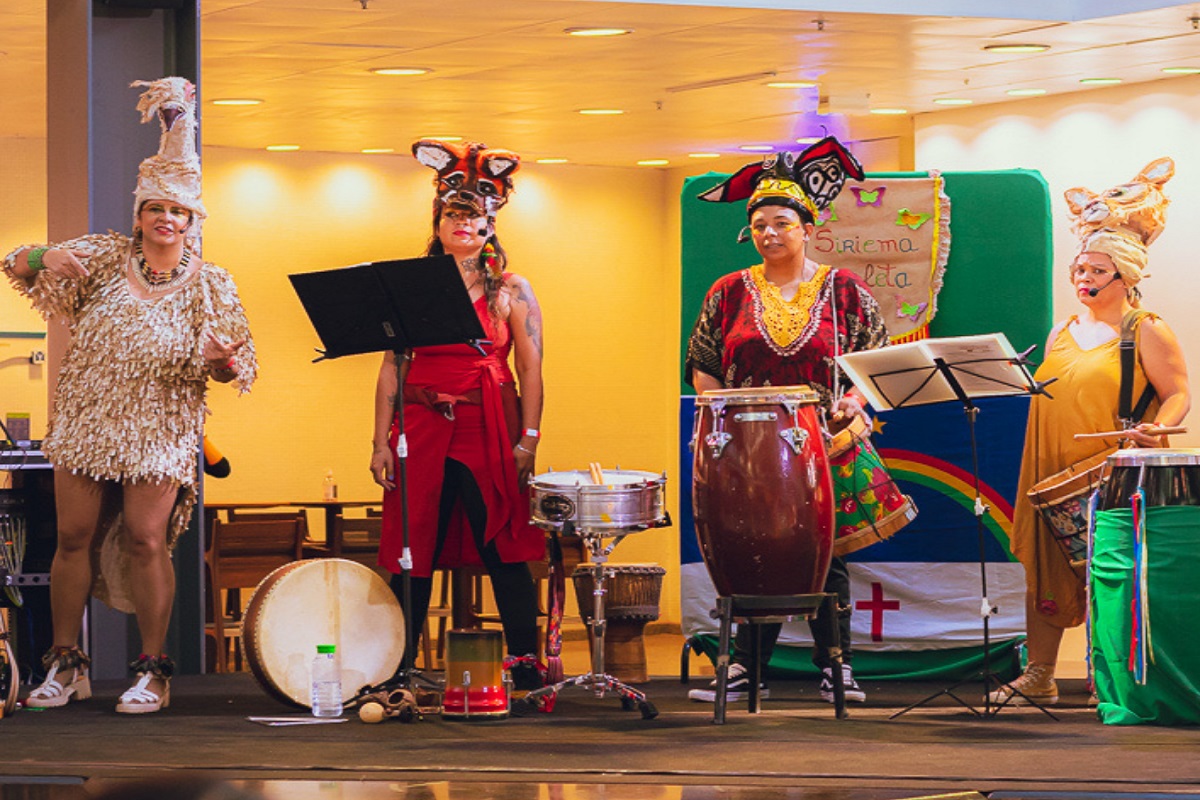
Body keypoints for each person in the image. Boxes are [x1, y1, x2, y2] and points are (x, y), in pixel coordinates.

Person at [2, 78, 256, 713]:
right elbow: (17, 261)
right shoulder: (106, 256)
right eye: (155, 209)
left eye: (178, 211)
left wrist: (222, 365)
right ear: (139, 214)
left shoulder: (211, 284)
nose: (165, 219)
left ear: (192, 221)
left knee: (146, 539)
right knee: (71, 537)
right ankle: (64, 664)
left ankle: (152, 669)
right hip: (87, 419)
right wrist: (45, 252)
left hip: (160, 427)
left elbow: (240, 364)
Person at [685, 139, 887, 704]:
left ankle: (837, 667)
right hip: (749, 450)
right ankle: (749, 667)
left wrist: (855, 403)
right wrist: (725, 422)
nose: (770, 233)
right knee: (756, 550)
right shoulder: (727, 292)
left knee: (827, 554)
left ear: (807, 227)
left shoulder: (844, 290)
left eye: (781, 222)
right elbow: (703, 366)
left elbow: (871, 364)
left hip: (822, 443)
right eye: (760, 225)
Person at [990, 163, 1189, 706]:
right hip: (1050, 464)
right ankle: (1040, 674)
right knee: (1046, 569)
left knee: (1113, 572)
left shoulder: (1145, 328)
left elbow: (1177, 393)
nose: (1083, 278)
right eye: (1079, 268)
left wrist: (1160, 428)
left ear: (1124, 277)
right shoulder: (1061, 330)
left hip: (1112, 470)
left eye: (1096, 271)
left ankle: (1115, 675)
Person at [370, 139, 545, 691]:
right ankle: (396, 665)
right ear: (438, 221)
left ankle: (524, 664)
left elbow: (532, 370)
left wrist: (529, 441)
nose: (462, 223)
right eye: (453, 214)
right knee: (411, 543)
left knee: (503, 544)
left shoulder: (511, 290)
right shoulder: (410, 286)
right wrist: (379, 442)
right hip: (418, 427)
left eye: (473, 216)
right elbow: (389, 370)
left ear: (491, 226)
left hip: (487, 423)